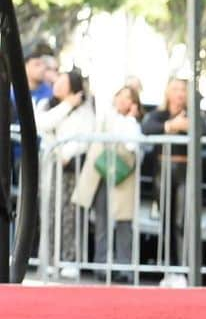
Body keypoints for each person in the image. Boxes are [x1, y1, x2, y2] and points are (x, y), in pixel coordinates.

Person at [74, 84, 144, 281]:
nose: (123, 99)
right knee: (102, 221)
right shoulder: (104, 116)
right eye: (120, 95)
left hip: (123, 176)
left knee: (123, 222)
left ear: (134, 103)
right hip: (101, 173)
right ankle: (100, 264)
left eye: (129, 97)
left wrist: (130, 118)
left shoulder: (133, 123)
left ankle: (125, 267)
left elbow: (131, 143)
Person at [36, 67, 95, 272]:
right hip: (51, 165)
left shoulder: (85, 109)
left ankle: (70, 260)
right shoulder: (46, 105)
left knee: (71, 214)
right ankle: (51, 259)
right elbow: (43, 125)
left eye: (63, 83)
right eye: (57, 82)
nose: (57, 86)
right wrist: (67, 105)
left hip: (74, 166)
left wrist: (68, 153)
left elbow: (85, 136)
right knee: (50, 211)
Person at [141, 77, 191, 284]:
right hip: (163, 169)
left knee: (181, 221)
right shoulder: (159, 115)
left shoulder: (192, 115)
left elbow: (205, 128)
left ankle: (182, 269)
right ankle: (169, 269)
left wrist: (185, 125)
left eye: (183, 89)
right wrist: (172, 126)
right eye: (175, 88)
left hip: (184, 169)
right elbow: (147, 127)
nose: (179, 93)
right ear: (168, 92)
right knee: (166, 220)